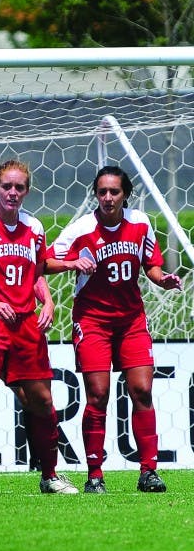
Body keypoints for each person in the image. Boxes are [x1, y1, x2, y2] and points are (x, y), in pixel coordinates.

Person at [47, 165, 182, 493]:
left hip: (131, 320)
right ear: (95, 193)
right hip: (92, 321)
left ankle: (149, 471)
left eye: (114, 192)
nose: (107, 198)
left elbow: (150, 263)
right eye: (102, 191)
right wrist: (71, 263)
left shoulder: (140, 223)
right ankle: (95, 474)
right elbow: (45, 261)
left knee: (142, 390)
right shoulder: (81, 229)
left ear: (126, 195)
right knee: (98, 394)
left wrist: (161, 279)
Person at [0, 160, 79, 495]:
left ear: (26, 191)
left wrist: (48, 301)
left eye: (19, 187)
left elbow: (36, 272)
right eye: (7, 186)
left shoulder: (34, 227)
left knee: (41, 402)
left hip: (25, 328)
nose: (12, 193)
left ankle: (50, 475)